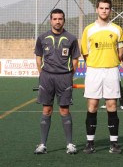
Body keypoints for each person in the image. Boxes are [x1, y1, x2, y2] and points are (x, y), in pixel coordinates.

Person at [81, 0, 123, 154]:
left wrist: (111, 61)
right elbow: (85, 53)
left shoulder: (117, 29)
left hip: (111, 71)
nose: (104, 11)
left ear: (110, 10)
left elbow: (121, 51)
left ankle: (114, 143)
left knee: (112, 106)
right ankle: (90, 142)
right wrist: (95, 63)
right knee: (92, 105)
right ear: (97, 10)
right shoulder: (89, 29)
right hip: (94, 70)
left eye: (107, 8)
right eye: (101, 8)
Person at [34, 8, 80, 154]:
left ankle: (70, 144)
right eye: (55, 19)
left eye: (60, 19)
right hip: (47, 77)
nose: (57, 21)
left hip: (64, 78)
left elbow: (75, 60)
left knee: (64, 110)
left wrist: (69, 75)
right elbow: (38, 58)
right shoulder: (42, 37)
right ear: (50, 20)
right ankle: (42, 144)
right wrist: (42, 74)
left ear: (64, 20)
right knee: (46, 110)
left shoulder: (71, 38)